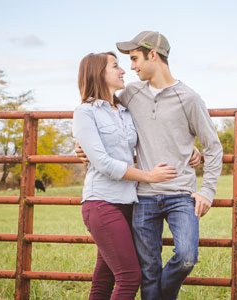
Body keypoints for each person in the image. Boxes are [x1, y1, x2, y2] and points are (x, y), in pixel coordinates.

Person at [79, 30, 224, 300]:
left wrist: (207, 190)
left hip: (181, 194)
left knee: (186, 258)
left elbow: (214, 147)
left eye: (135, 59)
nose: (131, 67)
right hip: (143, 196)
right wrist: (81, 147)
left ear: (153, 55)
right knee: (146, 270)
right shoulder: (131, 94)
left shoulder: (189, 98)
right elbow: (98, 116)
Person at [72, 51, 179, 300]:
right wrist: (148, 177)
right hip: (102, 203)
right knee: (130, 276)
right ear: (98, 73)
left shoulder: (125, 111)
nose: (123, 70)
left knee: (104, 278)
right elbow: (103, 163)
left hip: (128, 204)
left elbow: (156, 132)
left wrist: (191, 148)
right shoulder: (85, 112)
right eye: (115, 66)